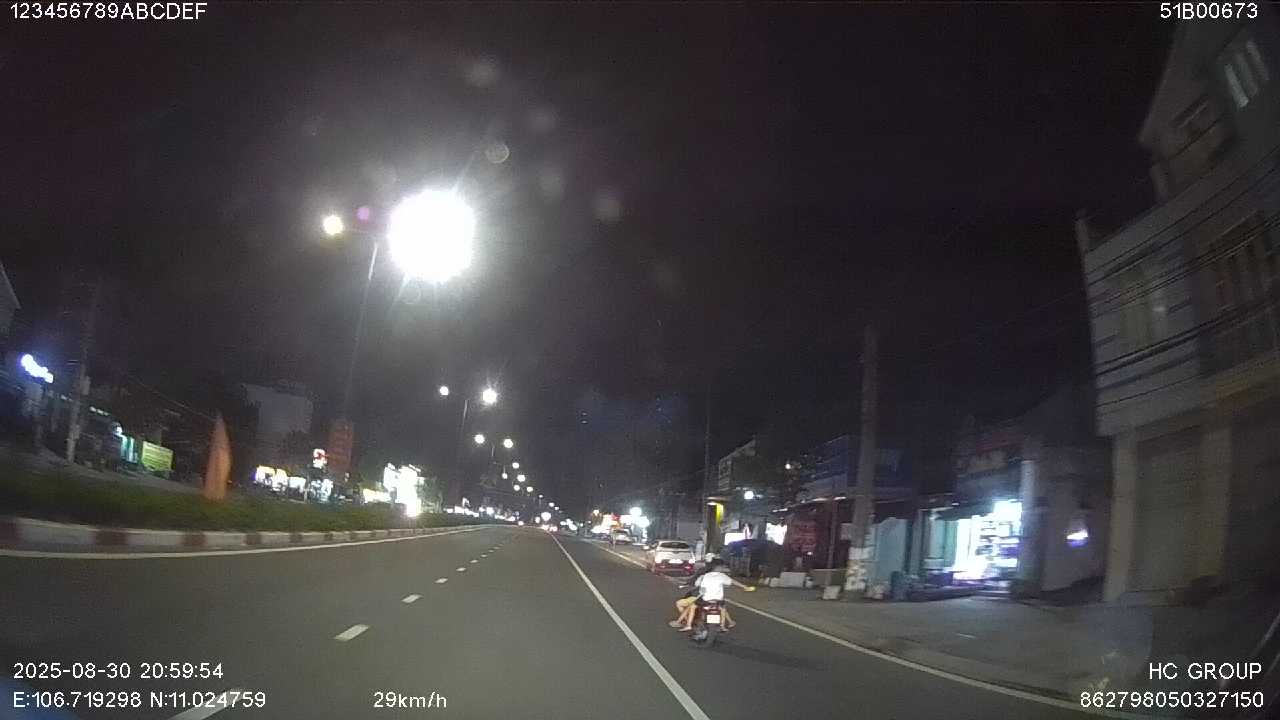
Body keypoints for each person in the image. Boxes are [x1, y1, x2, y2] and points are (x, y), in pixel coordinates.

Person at [673, 558, 744, 631]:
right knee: (723, 608)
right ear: (719, 567)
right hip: (718, 600)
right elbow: (731, 582)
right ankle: (722, 626)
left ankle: (688, 625)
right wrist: (744, 587)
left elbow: (697, 585)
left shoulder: (704, 575)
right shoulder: (722, 576)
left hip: (705, 599)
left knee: (692, 606)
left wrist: (701, 588)